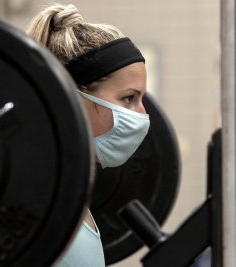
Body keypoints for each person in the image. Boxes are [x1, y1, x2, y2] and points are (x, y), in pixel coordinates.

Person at [26, 3, 150, 267]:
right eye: (128, 98)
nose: (142, 114)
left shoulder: (74, 201)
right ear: (73, 99)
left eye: (141, 99)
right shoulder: (36, 207)